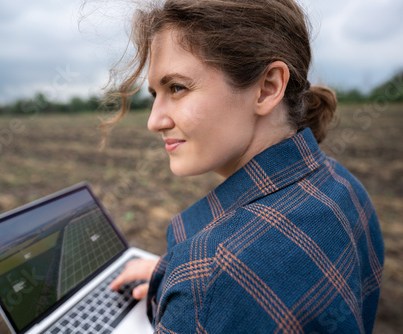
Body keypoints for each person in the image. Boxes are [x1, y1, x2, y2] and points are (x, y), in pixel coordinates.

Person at [105, 0, 384, 333]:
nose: (154, 121)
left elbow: (225, 287)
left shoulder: (211, 277)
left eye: (177, 87)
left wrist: (194, 285)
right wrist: (172, 279)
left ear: (267, 88)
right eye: (155, 94)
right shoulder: (344, 187)